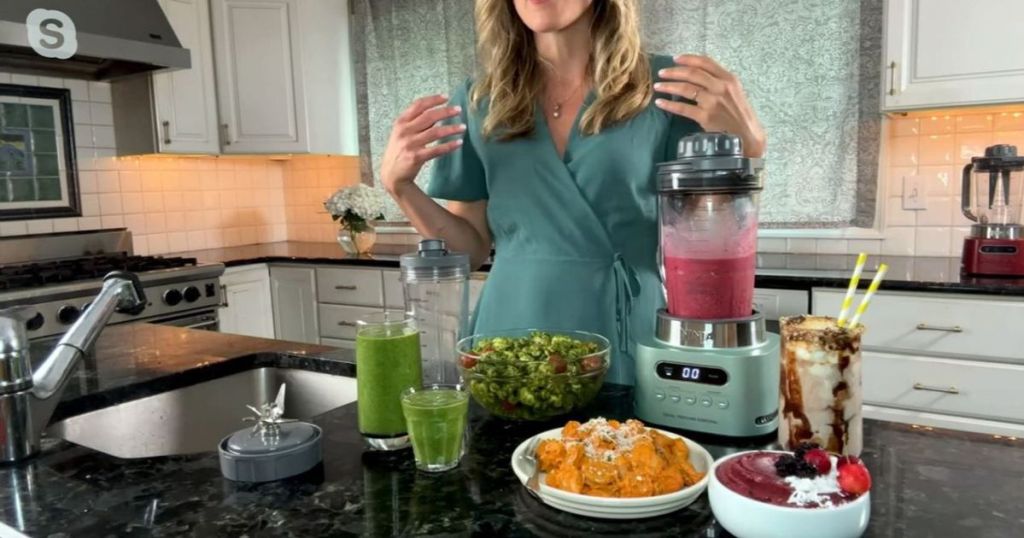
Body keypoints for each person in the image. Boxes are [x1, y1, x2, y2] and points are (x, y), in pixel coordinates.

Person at [381, 0, 765, 384]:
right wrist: (401, 188)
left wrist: (748, 149)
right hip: (506, 339)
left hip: (626, 333)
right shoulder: (478, 100)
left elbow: (707, 240)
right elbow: (471, 251)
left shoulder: (670, 86)